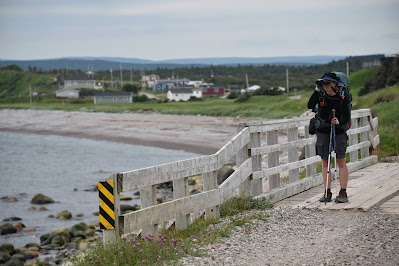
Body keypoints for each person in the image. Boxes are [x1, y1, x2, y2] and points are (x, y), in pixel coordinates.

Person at [307, 72, 350, 203]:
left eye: (327, 83)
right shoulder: (320, 95)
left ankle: (343, 192)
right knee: (325, 162)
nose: (325, 86)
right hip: (323, 131)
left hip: (338, 131)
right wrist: (316, 89)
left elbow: (346, 116)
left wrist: (339, 121)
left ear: (334, 83)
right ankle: (327, 192)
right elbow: (310, 105)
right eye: (323, 83)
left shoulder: (342, 97)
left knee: (341, 161)